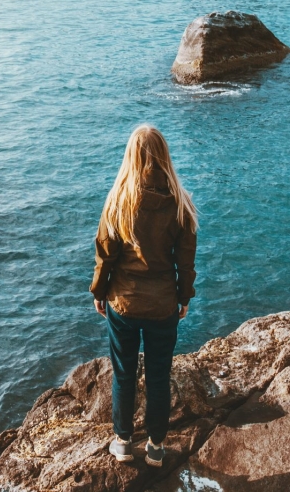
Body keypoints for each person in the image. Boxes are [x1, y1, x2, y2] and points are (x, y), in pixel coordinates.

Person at [91, 124, 197, 468]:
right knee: (158, 375)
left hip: (123, 303)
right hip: (163, 305)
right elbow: (185, 260)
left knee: (123, 373)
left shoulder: (119, 201)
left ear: (130, 157)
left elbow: (105, 254)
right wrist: (184, 297)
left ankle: (122, 441)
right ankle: (155, 446)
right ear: (164, 155)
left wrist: (99, 291)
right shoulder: (180, 202)